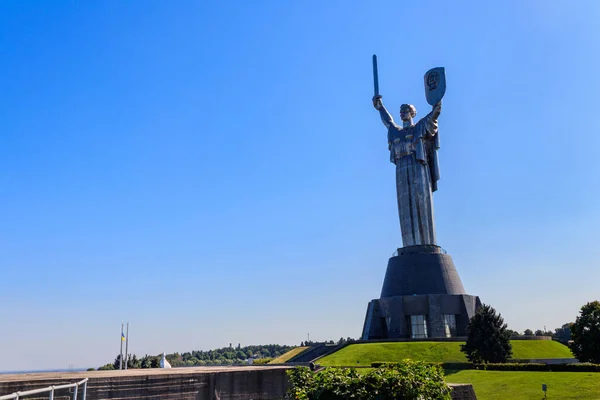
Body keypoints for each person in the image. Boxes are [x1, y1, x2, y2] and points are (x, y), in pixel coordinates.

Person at [373, 96, 441, 247]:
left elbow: (434, 115)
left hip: (418, 165)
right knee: (405, 207)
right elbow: (387, 121)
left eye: (405, 111)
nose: (402, 113)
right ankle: (410, 244)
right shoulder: (396, 132)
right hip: (401, 170)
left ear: (412, 113)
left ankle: (426, 243)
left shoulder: (419, 127)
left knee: (421, 201)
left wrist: (437, 100)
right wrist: (380, 107)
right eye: (401, 111)